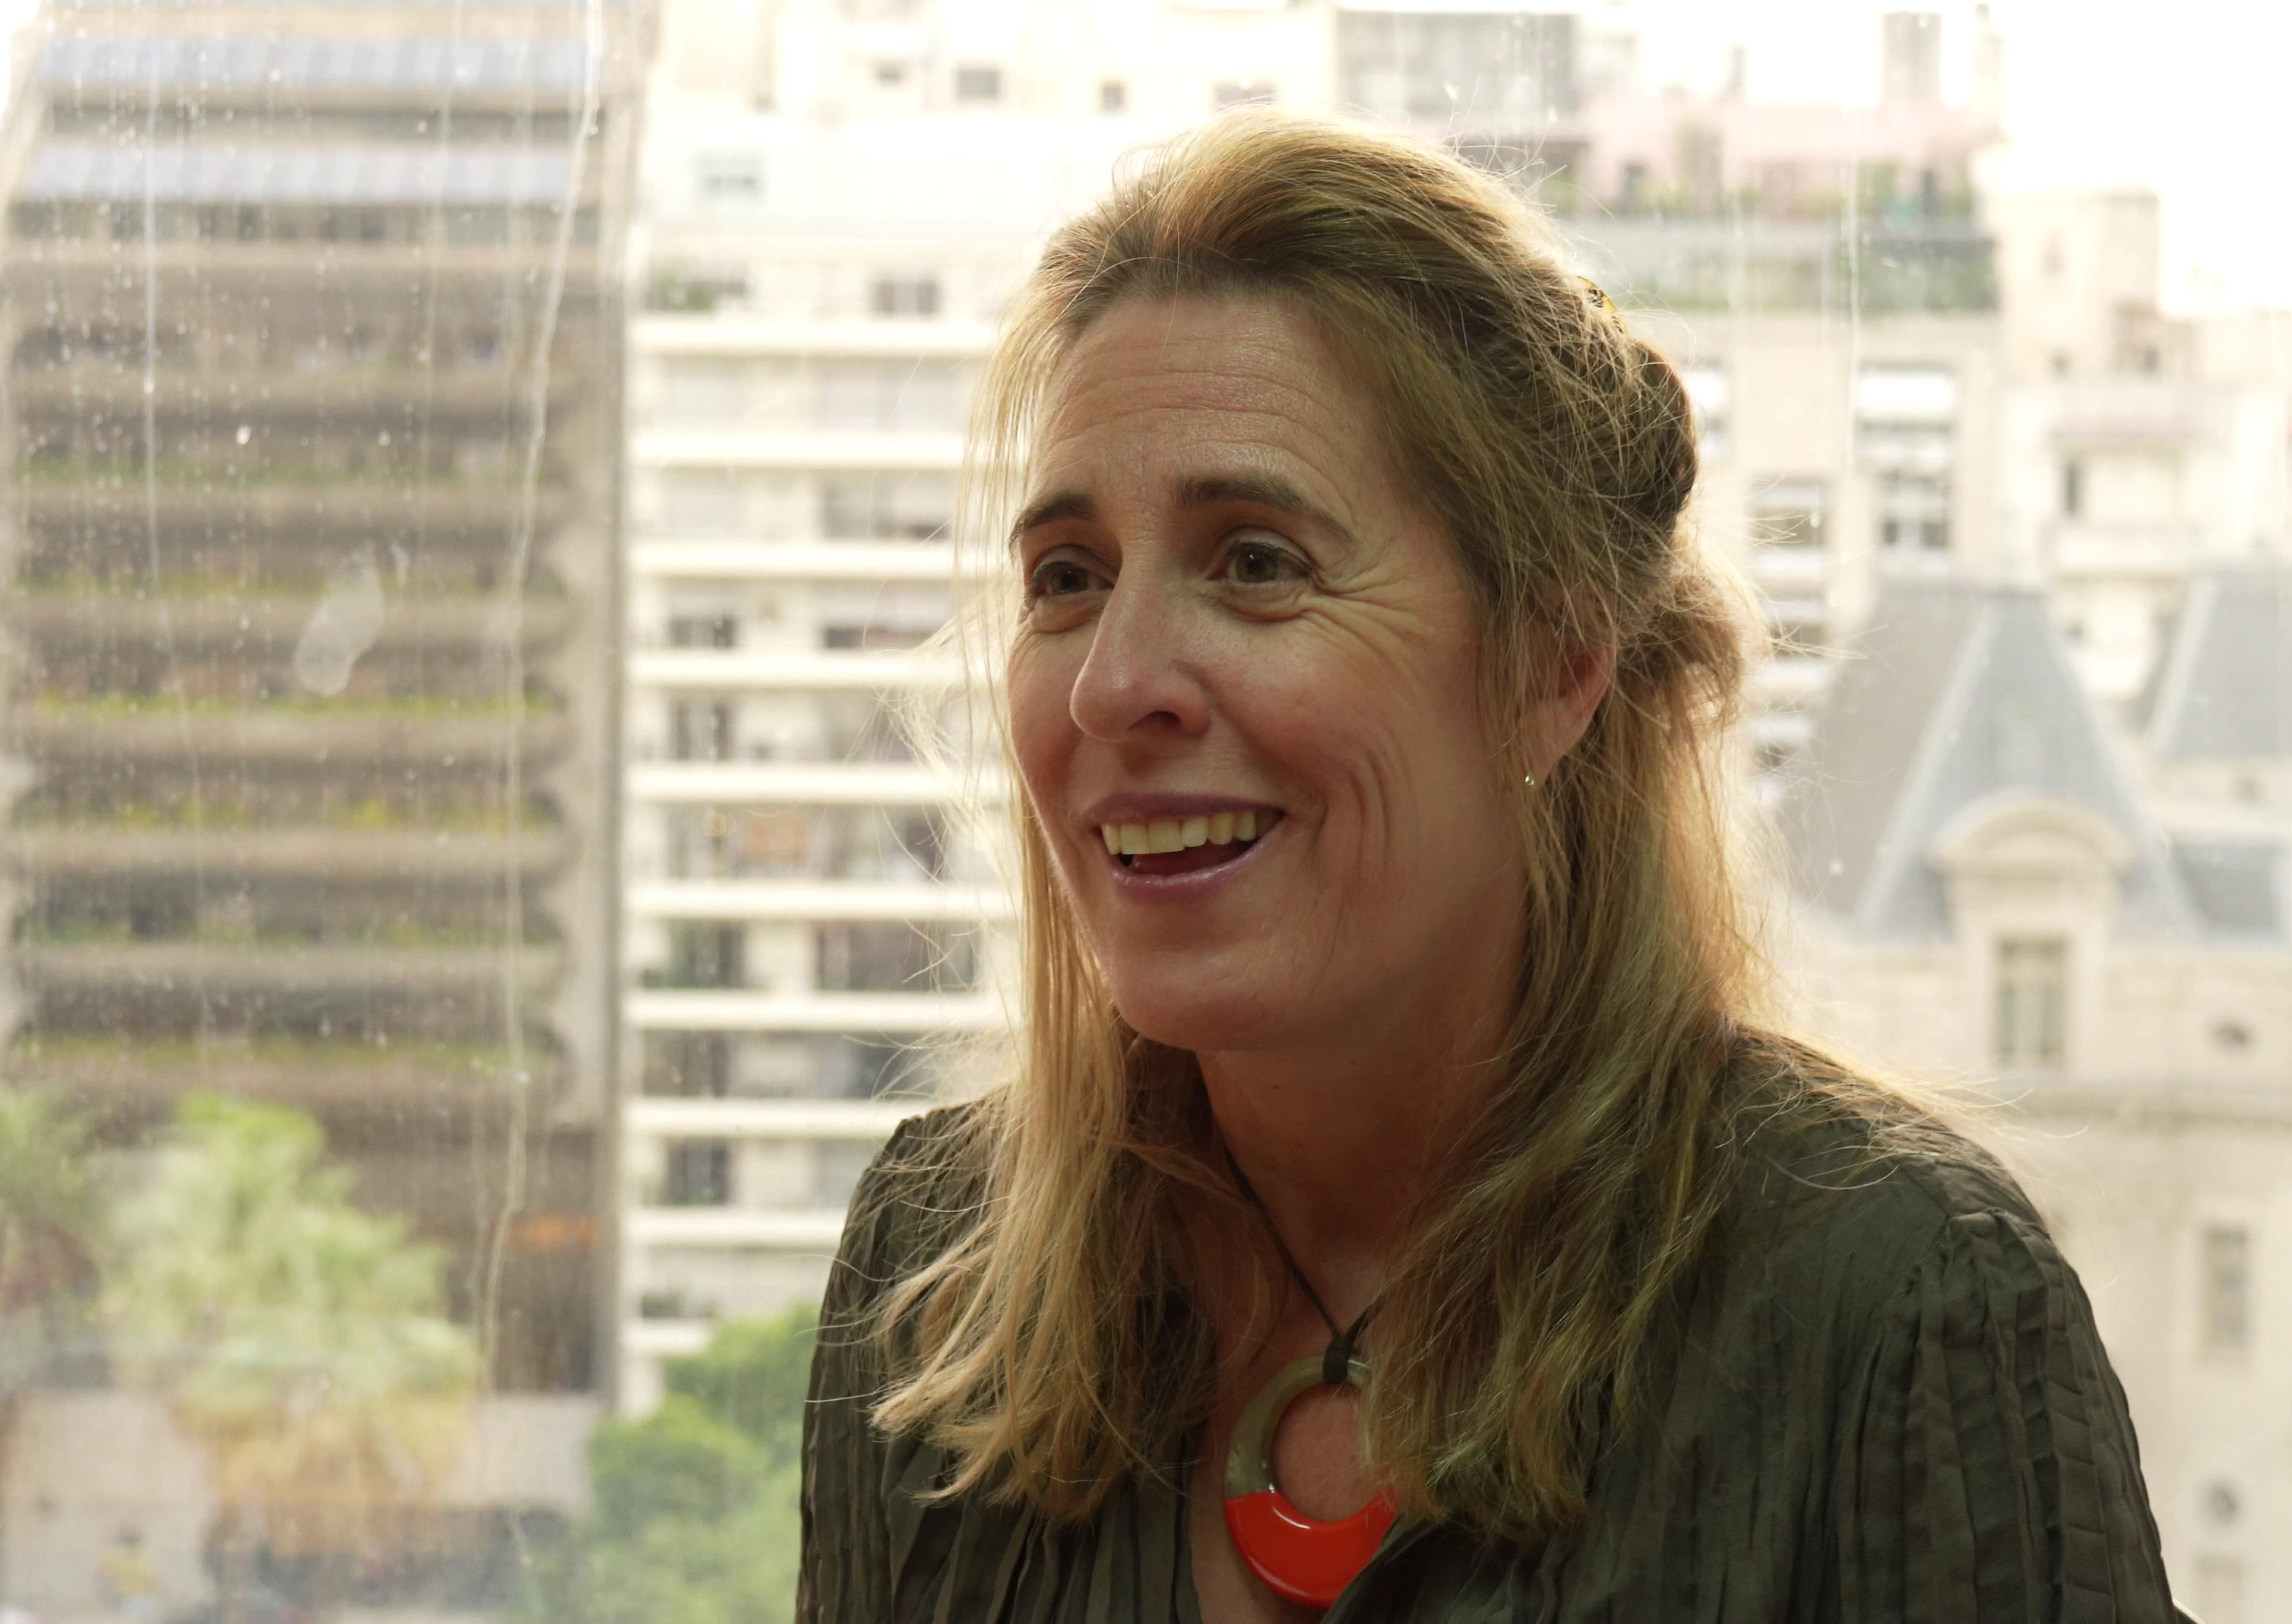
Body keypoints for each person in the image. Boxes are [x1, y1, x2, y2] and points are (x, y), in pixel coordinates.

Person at [799, 109, 2176, 1622]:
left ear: (1554, 665)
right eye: (1067, 578)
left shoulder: (1907, 1311)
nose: (1112, 686)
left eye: (1256, 563)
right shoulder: (935, 1275)